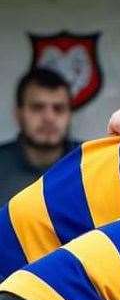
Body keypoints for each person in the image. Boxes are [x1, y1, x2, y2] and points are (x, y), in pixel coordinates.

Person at [0, 68, 76, 206]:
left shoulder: (91, 162)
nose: (49, 118)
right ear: (18, 114)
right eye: (37, 107)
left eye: (58, 108)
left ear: (70, 114)